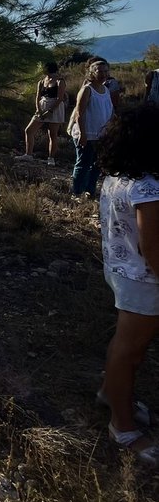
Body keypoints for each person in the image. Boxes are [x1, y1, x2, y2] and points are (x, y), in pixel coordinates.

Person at [96, 104, 159, 465]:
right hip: (145, 280)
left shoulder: (116, 177)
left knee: (126, 346)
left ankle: (111, 392)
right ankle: (122, 426)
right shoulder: (148, 187)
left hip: (121, 273)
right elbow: (152, 246)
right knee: (129, 351)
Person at [68, 57, 114, 199]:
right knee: (83, 164)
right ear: (92, 73)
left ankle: (90, 190)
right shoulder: (87, 90)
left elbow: (109, 111)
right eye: (100, 71)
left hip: (101, 135)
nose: (103, 74)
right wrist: (82, 133)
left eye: (106, 71)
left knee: (97, 165)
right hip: (87, 134)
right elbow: (79, 114)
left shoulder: (106, 90)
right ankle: (76, 192)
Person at [17, 61, 66, 165]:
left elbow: (60, 98)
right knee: (29, 130)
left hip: (55, 107)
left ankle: (51, 158)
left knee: (52, 134)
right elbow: (38, 96)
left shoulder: (60, 81)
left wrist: (50, 111)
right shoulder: (41, 81)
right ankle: (28, 154)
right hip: (42, 105)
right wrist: (38, 109)